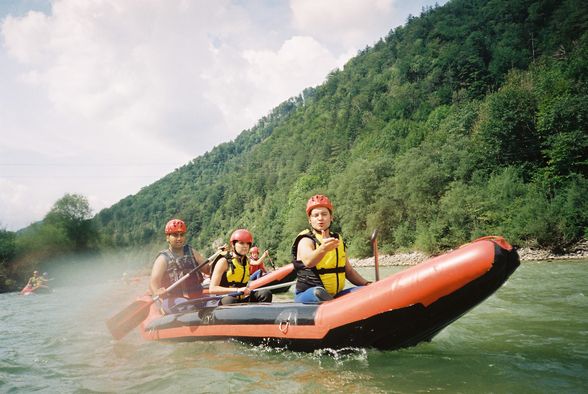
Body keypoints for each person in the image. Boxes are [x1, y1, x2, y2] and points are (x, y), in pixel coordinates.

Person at [291, 194, 371, 303]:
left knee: (365, 290)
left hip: (335, 296)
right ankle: (335, 306)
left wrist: (367, 284)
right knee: (318, 292)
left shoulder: (337, 239)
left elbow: (349, 271)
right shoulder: (305, 240)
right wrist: (323, 249)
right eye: (316, 215)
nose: (320, 218)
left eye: (324, 214)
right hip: (309, 295)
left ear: (331, 217)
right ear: (310, 219)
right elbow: (309, 262)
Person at [149, 219, 211, 313]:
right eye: (175, 235)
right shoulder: (162, 259)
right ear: (168, 237)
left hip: (196, 296)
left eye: (181, 235)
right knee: (188, 307)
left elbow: (207, 270)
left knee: (216, 303)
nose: (179, 238)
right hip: (174, 299)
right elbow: (153, 282)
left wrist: (219, 259)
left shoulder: (191, 251)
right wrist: (157, 291)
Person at [208, 229, 272, 305]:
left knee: (265, 293)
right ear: (233, 244)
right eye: (241, 243)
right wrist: (237, 289)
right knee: (230, 301)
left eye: (247, 243)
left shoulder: (247, 261)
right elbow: (212, 289)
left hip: (242, 299)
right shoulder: (223, 261)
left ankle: (258, 315)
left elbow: (257, 262)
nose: (245, 246)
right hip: (225, 299)